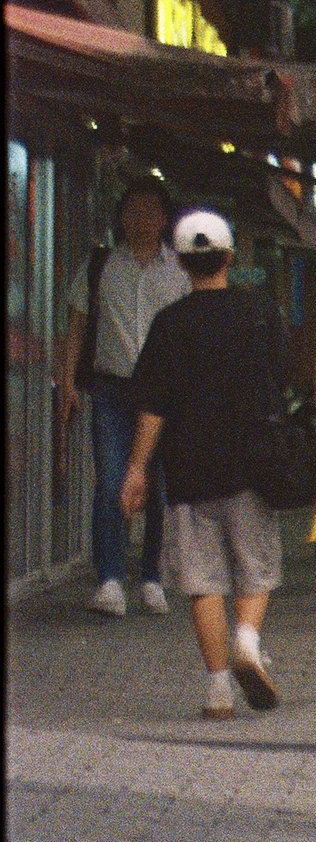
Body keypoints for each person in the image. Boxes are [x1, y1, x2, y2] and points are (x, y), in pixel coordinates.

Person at [121, 210, 290, 720]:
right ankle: (246, 640)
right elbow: (282, 383)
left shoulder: (168, 324)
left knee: (203, 582)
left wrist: (136, 469)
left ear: (182, 264)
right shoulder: (260, 313)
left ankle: (218, 690)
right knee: (256, 570)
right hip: (252, 467)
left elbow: (153, 405)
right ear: (230, 258)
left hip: (188, 471)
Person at [57, 178, 190, 618]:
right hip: (111, 388)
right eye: (132, 212)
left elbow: (190, 334)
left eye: (151, 212)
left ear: (164, 219)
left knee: (157, 487)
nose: (141, 221)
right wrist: (68, 379)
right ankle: (110, 578)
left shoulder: (180, 272)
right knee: (112, 480)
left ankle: (151, 576)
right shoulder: (100, 267)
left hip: (163, 392)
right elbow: (76, 324)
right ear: (121, 217)